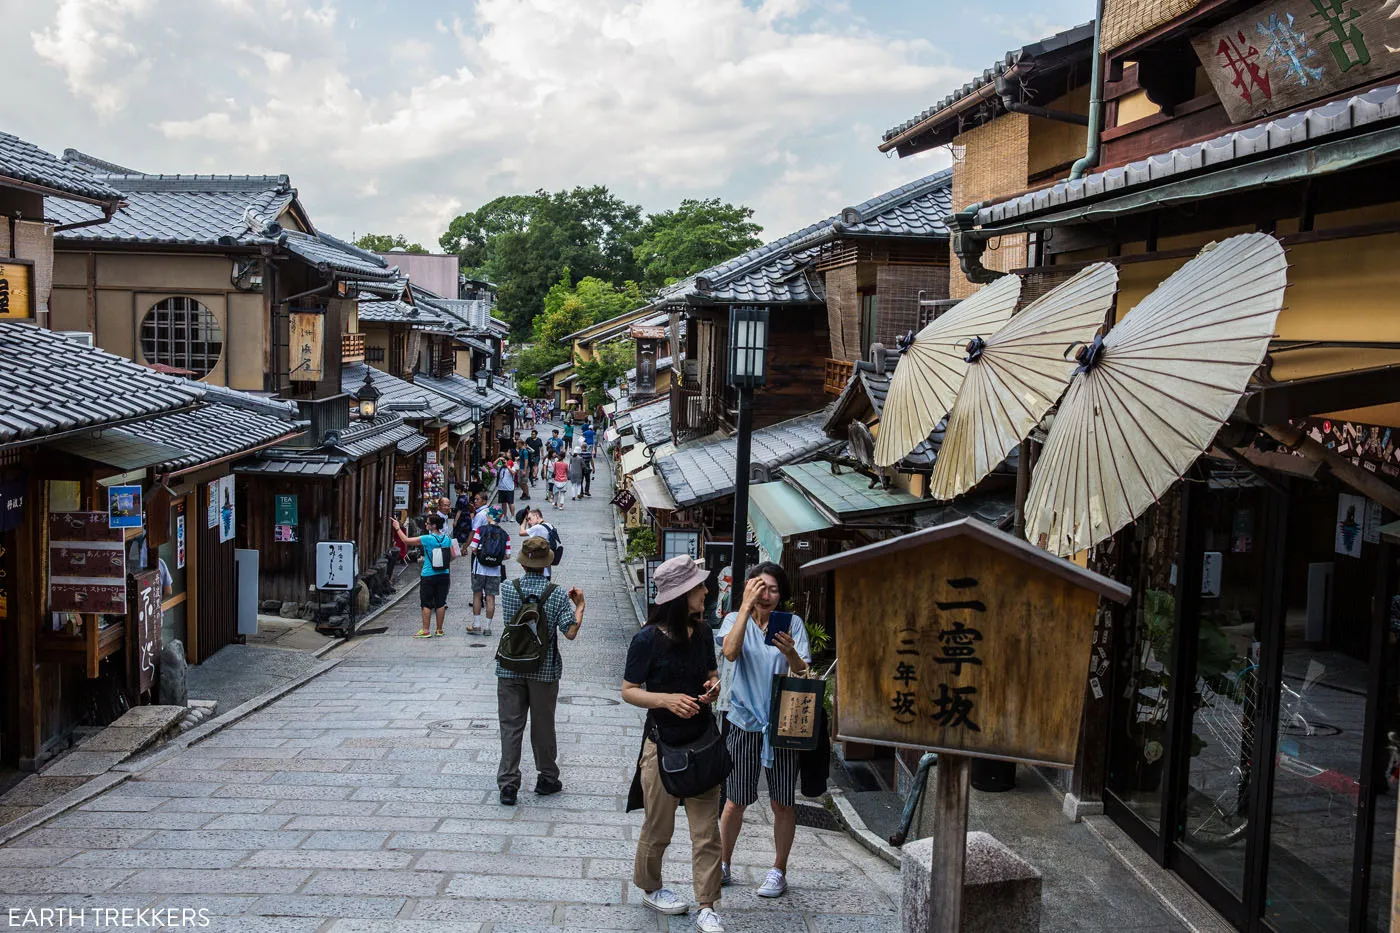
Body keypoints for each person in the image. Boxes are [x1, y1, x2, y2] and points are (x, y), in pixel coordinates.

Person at [622, 556, 725, 933]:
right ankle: (651, 887)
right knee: (658, 827)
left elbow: (711, 673)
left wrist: (712, 688)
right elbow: (629, 690)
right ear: (681, 595)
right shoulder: (647, 639)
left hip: (702, 744)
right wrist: (666, 700)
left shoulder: (703, 632)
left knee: (707, 831)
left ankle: (707, 905)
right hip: (661, 745)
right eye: (699, 587)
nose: (706, 591)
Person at [717, 563, 811, 898]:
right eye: (760, 587)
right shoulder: (734, 619)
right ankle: (723, 863)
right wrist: (744, 607)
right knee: (735, 800)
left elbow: (803, 673)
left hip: (782, 723)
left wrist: (790, 652)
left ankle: (778, 870)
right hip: (743, 720)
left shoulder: (792, 624)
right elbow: (730, 652)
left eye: (773, 589)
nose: (766, 595)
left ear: (781, 594)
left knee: (782, 801)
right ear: (748, 588)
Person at [495, 535, 585, 806]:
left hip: (510, 667)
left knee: (511, 726)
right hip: (544, 670)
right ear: (547, 564)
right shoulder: (556, 593)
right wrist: (580, 605)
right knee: (543, 725)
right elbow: (570, 632)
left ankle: (508, 784)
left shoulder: (507, 588)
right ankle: (547, 777)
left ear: (523, 563)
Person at [391, 514, 459, 638]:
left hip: (428, 574)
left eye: (428, 523)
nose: (426, 524)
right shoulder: (447, 538)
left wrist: (397, 528)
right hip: (444, 574)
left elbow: (406, 540)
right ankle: (439, 630)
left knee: (426, 602)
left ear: (433, 526)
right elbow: (453, 555)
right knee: (441, 602)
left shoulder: (427, 538)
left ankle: (426, 630)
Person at [468, 506, 511, 636]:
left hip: (479, 569)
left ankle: (476, 625)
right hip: (495, 571)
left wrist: (481, 555)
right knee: (490, 597)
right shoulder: (505, 535)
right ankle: (487, 627)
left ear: (489, 517)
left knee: (477, 595)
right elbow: (507, 555)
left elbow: (473, 548)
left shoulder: (480, 530)